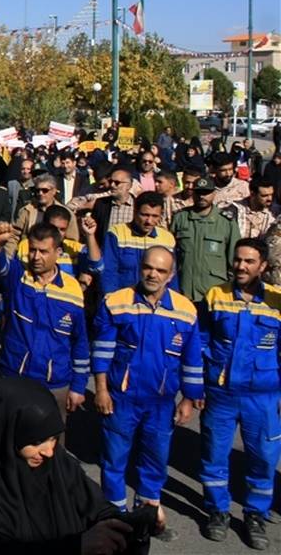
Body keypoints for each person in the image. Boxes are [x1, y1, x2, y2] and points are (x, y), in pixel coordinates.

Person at [91, 246, 202, 540]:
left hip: (161, 403)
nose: (153, 274)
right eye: (149, 267)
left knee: (155, 460)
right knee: (114, 460)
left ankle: (147, 517)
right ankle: (114, 519)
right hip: (121, 398)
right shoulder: (116, 302)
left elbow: (192, 359)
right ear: (141, 267)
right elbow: (102, 350)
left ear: (171, 274)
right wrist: (101, 389)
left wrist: (189, 399)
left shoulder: (186, 309)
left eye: (161, 270)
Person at [0, 377, 131, 555]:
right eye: (37, 441)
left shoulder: (56, 464)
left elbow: (94, 504)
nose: (48, 451)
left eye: (53, 438)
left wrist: (131, 523)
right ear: (10, 434)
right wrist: (75, 547)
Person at [198, 237, 281, 550]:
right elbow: (201, 340)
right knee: (214, 456)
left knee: (263, 458)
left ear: (263, 267)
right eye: (238, 260)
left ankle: (255, 514)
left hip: (263, 396)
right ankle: (217, 511)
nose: (241, 266)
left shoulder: (276, 302)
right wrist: (201, 383)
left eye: (249, 262)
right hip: (221, 393)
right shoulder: (216, 295)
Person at [0, 222, 89, 443]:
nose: (36, 256)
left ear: (58, 253)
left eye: (43, 251)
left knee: (51, 448)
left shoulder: (73, 291)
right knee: (8, 441)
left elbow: (80, 344)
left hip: (55, 384)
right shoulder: (17, 278)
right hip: (14, 376)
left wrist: (78, 386)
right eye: (32, 249)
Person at [91, 191, 175, 296]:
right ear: (135, 211)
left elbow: (171, 277)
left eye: (155, 216)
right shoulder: (117, 233)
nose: (149, 221)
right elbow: (108, 272)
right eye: (145, 215)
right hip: (122, 300)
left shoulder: (167, 239)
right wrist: (112, 298)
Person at [171, 175, 240, 304]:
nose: (202, 196)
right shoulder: (180, 218)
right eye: (198, 192)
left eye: (206, 192)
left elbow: (234, 260)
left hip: (215, 292)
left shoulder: (226, 222)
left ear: (214, 194)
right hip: (184, 291)